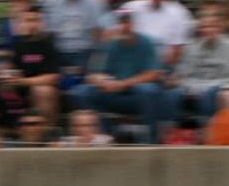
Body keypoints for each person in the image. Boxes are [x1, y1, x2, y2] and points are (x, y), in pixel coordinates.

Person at [70, 11, 175, 141]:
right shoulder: (109, 45)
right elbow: (93, 75)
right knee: (82, 92)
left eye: (128, 23)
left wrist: (124, 84)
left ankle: (151, 140)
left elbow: (154, 74)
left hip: (136, 95)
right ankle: (104, 136)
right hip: (113, 93)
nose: (124, 27)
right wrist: (102, 82)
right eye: (121, 23)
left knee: (148, 90)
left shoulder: (146, 43)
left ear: (134, 25)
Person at [0, 5, 62, 132]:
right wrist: (2, 73)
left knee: (42, 91)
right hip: (21, 85)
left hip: (41, 86)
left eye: (35, 20)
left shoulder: (49, 44)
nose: (31, 25)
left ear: (42, 23)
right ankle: (11, 130)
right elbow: (13, 66)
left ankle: (47, 133)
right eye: (27, 21)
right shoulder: (19, 43)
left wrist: (24, 81)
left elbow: (54, 77)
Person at [170, 8, 229, 121]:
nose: (209, 30)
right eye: (205, 27)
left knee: (211, 93)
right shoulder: (191, 47)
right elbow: (183, 74)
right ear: (200, 30)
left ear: (220, 28)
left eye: (213, 26)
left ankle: (209, 130)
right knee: (173, 94)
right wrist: (188, 86)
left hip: (223, 85)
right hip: (195, 86)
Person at [121, 0, 195, 67]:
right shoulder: (131, 6)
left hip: (163, 63)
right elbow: (117, 19)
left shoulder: (179, 12)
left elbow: (178, 49)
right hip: (133, 57)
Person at [42, 0, 109, 73]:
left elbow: (97, 30)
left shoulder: (92, 0)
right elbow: (51, 32)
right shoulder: (52, 3)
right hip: (61, 50)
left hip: (84, 50)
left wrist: (95, 52)